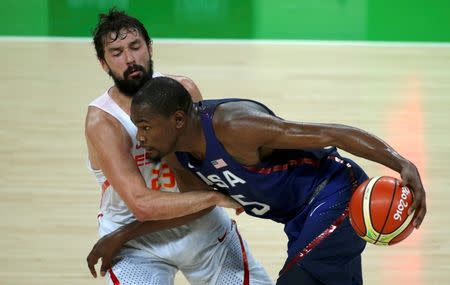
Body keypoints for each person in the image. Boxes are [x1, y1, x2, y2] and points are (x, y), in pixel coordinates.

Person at [128, 76, 427, 285]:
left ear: (178, 120)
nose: (140, 139)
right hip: (297, 219)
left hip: (336, 192)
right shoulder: (175, 154)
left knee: (296, 279)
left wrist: (401, 162)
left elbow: (332, 134)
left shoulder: (237, 125)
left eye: (145, 127)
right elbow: (193, 208)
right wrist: (124, 235)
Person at [85, 9, 273, 285]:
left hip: (200, 228)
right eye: (116, 52)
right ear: (103, 63)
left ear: (149, 48)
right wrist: (214, 197)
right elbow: (143, 205)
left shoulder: (184, 91)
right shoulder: (104, 121)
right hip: (137, 247)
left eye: (135, 47)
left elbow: (201, 179)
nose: (129, 58)